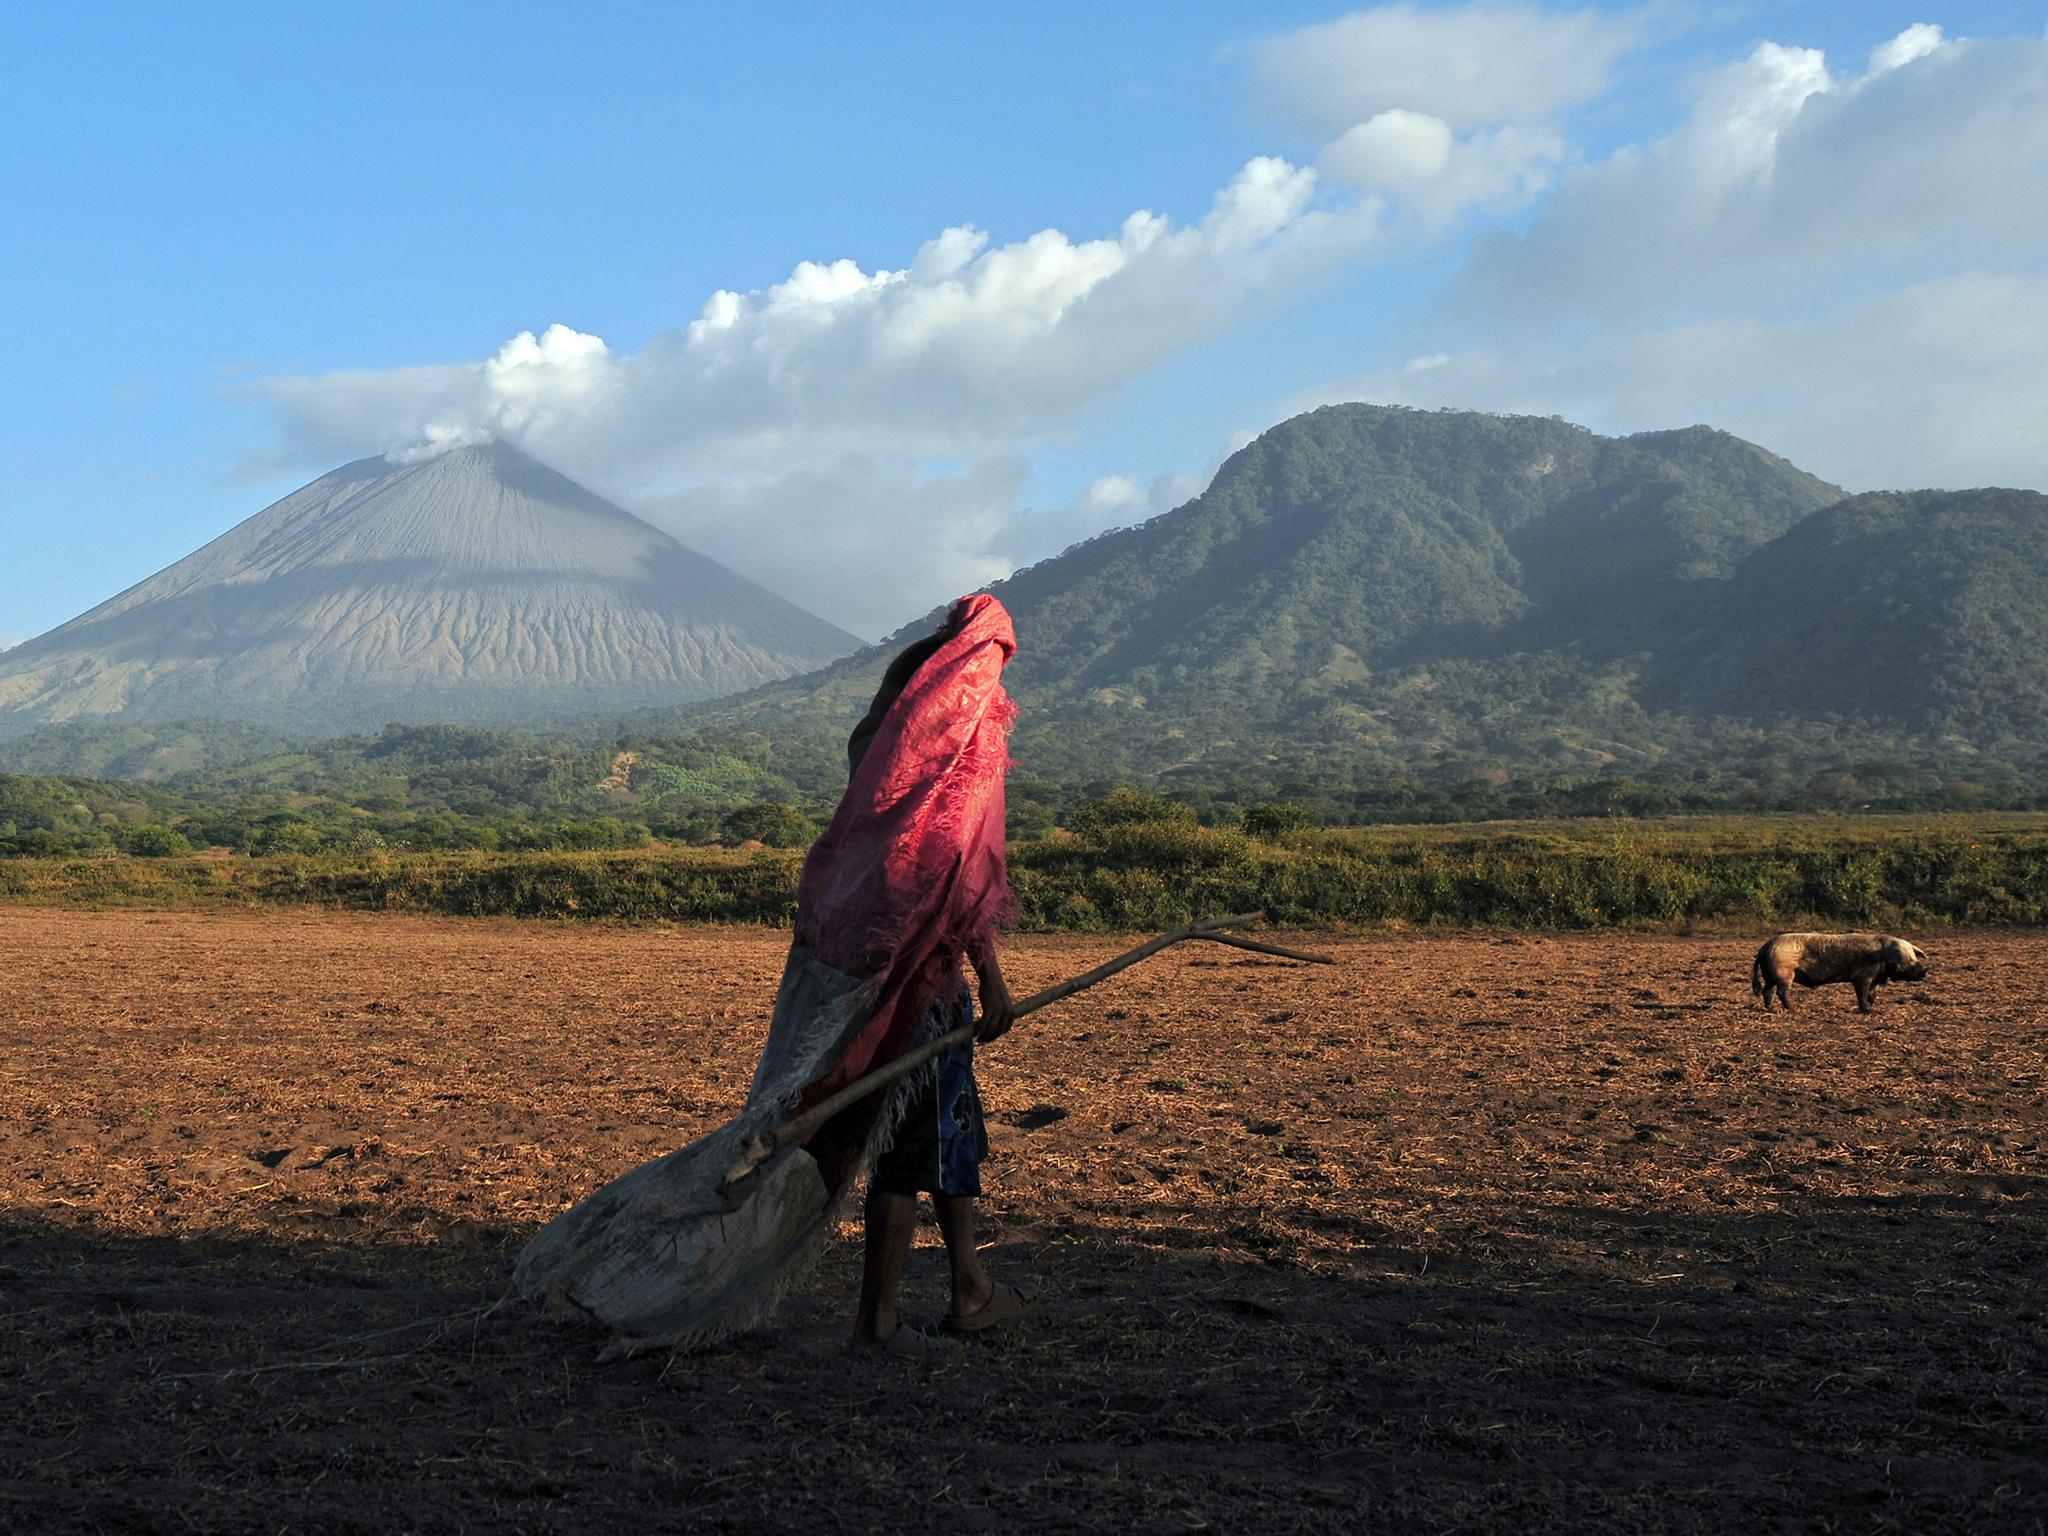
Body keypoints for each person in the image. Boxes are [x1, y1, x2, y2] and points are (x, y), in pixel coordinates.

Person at [783, 594, 1034, 1355]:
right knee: (906, 1146)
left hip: (870, 984)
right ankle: (878, 1322)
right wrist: (990, 976)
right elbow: (952, 881)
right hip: (921, 989)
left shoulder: (879, 749)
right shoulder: (947, 771)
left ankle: (969, 1288)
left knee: (950, 1130)